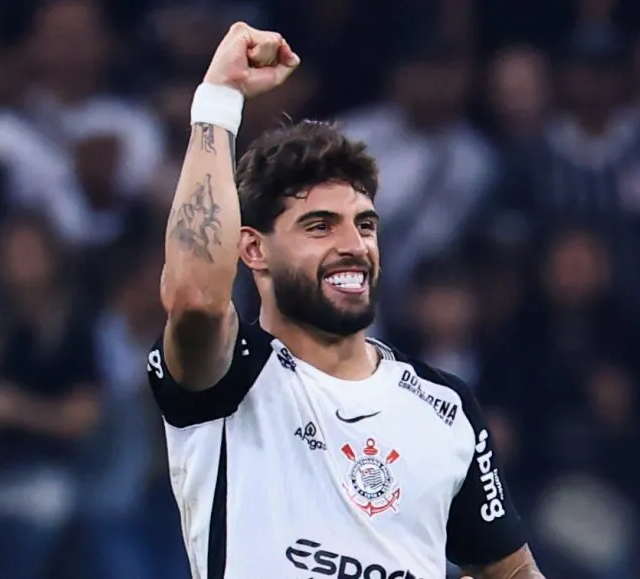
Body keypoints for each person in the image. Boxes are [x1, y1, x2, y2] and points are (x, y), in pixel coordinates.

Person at [146, 22, 546, 579]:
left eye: (364, 224)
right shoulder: (231, 375)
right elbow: (192, 295)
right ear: (253, 250)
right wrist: (218, 99)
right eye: (319, 226)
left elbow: (513, 572)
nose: (353, 246)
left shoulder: (444, 405)